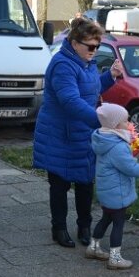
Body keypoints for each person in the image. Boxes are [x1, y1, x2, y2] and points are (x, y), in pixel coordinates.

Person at [33, 17, 123, 248]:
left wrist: (110, 76)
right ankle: (59, 228)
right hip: (60, 134)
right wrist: (102, 120)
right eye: (90, 46)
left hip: (83, 132)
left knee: (85, 181)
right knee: (60, 184)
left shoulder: (87, 62)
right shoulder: (62, 64)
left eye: (97, 46)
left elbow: (90, 90)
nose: (94, 51)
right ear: (75, 43)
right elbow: (71, 100)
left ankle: (84, 226)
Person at [89, 103, 139, 269]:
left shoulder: (105, 138)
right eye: (126, 121)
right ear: (116, 125)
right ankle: (115, 258)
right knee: (118, 223)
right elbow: (132, 168)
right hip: (117, 193)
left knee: (106, 218)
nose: (129, 123)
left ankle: (93, 247)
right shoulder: (117, 146)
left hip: (107, 191)